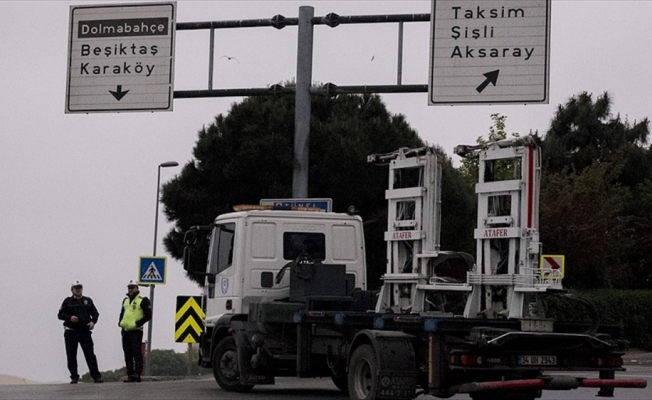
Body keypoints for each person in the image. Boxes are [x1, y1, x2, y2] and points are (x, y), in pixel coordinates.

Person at [57, 280, 103, 384]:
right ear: (72, 290)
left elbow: (95, 313)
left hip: (84, 332)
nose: (78, 290)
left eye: (80, 288)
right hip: (71, 332)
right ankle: (74, 377)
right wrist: (69, 317)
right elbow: (60, 315)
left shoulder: (87, 301)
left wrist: (93, 322)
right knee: (71, 355)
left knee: (90, 354)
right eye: (76, 288)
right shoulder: (67, 301)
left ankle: (96, 376)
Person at [119, 280, 152, 382]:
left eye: (133, 287)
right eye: (129, 287)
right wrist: (120, 322)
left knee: (136, 352)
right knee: (127, 353)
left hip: (136, 330)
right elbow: (122, 312)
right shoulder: (125, 300)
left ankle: (137, 374)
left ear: (137, 288)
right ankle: (130, 374)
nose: (130, 289)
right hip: (126, 330)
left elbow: (148, 315)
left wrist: (138, 323)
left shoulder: (143, 300)